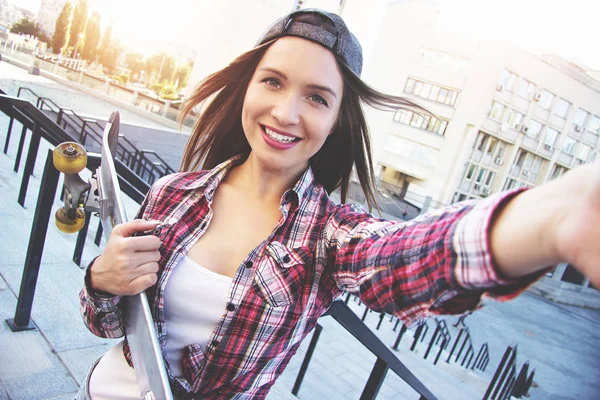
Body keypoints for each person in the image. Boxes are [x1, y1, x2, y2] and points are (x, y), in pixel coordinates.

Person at [76, 8, 600, 400]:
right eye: (274, 82)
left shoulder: (326, 239)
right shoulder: (173, 195)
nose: (285, 112)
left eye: (316, 97)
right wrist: (101, 278)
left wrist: (554, 219)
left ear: (335, 120)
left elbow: (405, 255)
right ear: (248, 87)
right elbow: (107, 324)